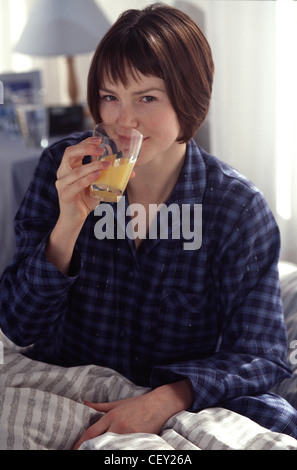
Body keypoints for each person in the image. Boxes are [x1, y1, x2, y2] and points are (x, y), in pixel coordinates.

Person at [1, 3, 297, 449]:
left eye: (147, 98)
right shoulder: (59, 170)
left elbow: (262, 354)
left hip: (182, 401)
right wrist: (68, 224)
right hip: (70, 389)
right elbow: (18, 326)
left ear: (190, 98)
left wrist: (164, 400)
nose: (124, 120)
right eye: (110, 96)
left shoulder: (237, 208)